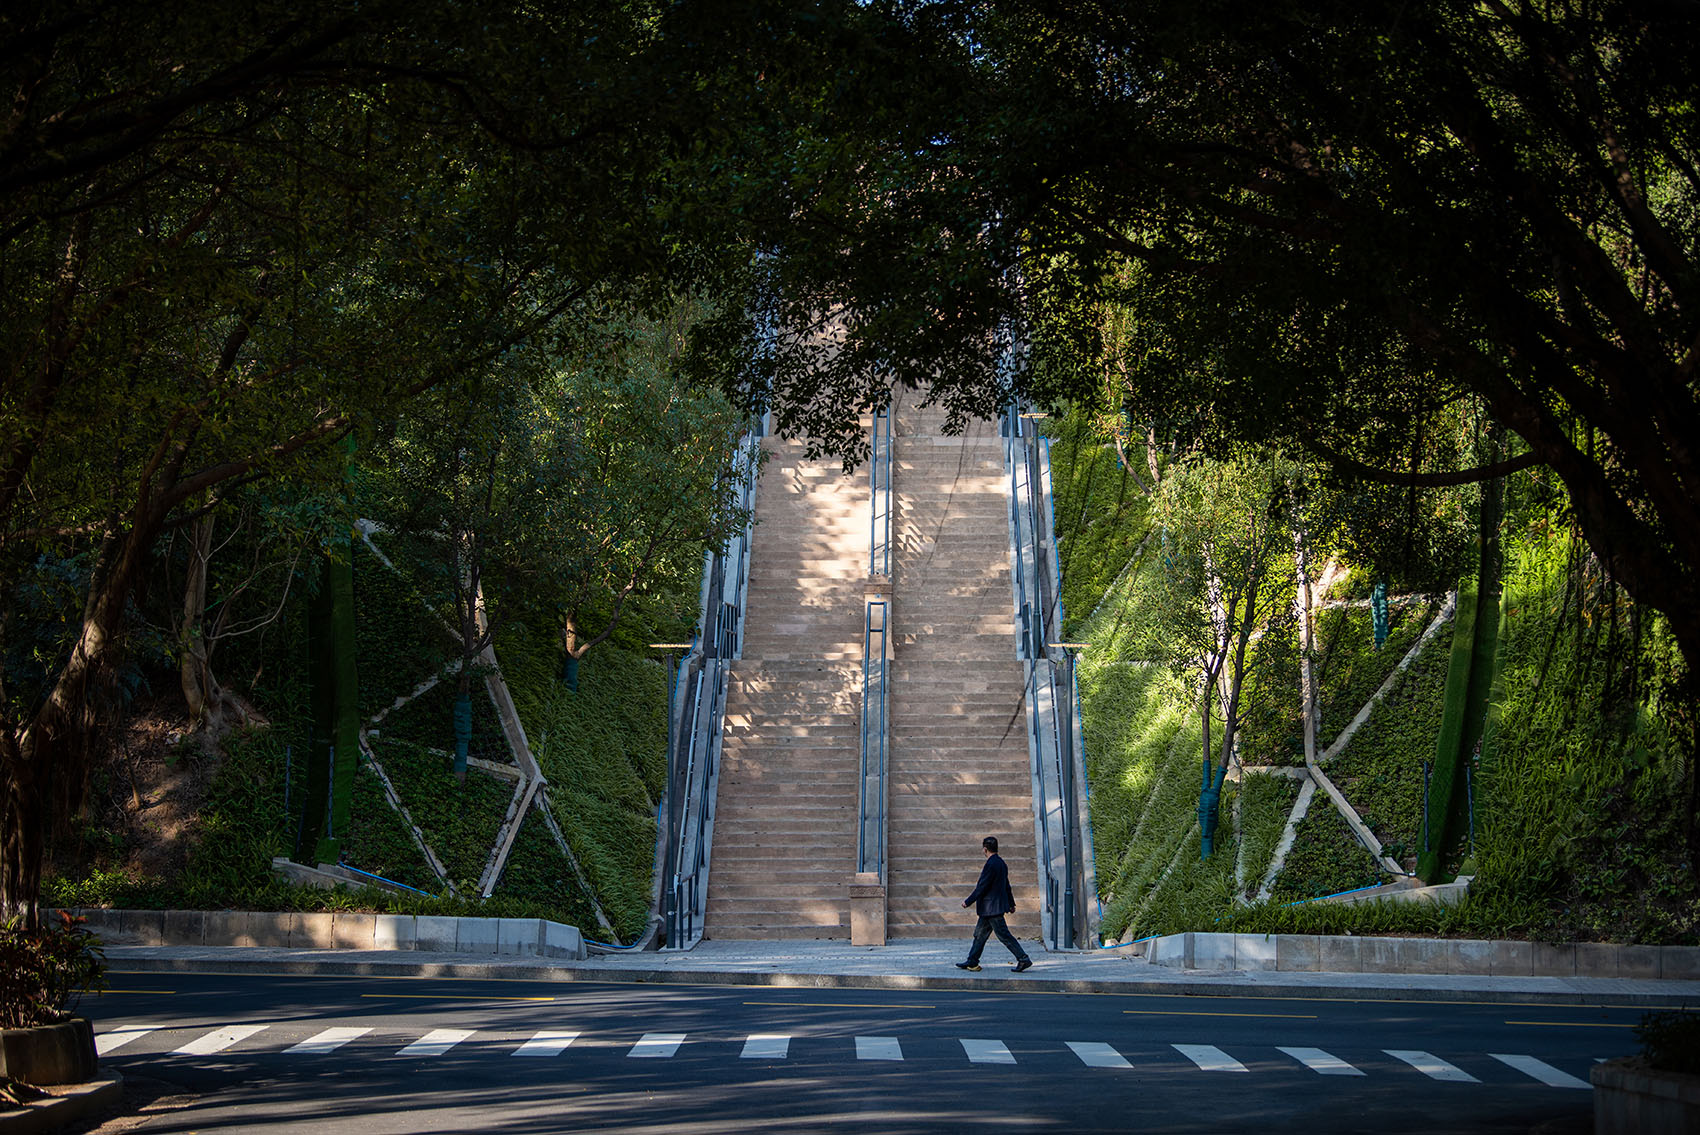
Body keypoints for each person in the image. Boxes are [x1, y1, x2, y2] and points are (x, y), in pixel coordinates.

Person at [956, 836, 1033, 973]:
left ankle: (1023, 958)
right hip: (991, 909)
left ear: (985, 849)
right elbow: (1006, 885)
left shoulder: (991, 864)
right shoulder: (1001, 863)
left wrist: (968, 901)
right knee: (979, 935)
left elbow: (982, 886)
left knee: (1004, 936)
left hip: (991, 908)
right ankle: (972, 960)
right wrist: (1011, 903)